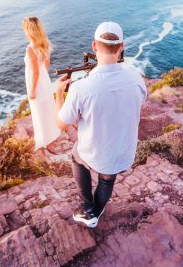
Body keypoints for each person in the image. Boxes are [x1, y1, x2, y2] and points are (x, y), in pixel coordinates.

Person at [54, 21, 147, 228]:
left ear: (94, 46)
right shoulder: (138, 79)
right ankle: (98, 209)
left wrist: (59, 94)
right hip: (123, 154)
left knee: (76, 157)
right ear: (121, 47)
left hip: (94, 153)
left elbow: (61, 123)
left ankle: (88, 210)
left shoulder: (81, 87)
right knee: (107, 178)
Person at [22, 16, 60, 152]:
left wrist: (32, 91)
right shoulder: (45, 43)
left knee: (38, 111)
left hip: (36, 82)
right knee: (47, 108)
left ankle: (43, 139)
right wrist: (45, 77)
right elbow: (46, 64)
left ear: (29, 31)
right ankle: (52, 134)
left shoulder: (30, 49)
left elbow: (35, 72)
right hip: (44, 79)